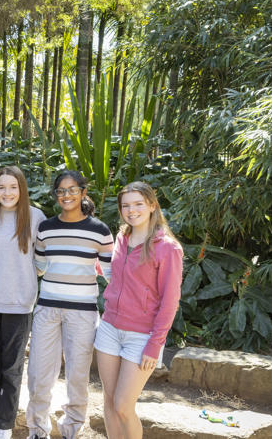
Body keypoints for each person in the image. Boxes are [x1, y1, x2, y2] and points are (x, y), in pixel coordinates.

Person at [25, 170, 113, 439]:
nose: (66, 195)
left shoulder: (100, 231)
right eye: (61, 191)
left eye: (73, 189)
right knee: (39, 374)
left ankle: (71, 429)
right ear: (55, 195)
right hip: (47, 309)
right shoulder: (46, 228)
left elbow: (112, 275)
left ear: (83, 193)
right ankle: (37, 430)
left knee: (77, 375)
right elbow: (38, 267)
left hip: (83, 312)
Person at [94, 182, 183, 439]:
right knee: (109, 403)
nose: (131, 210)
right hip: (109, 329)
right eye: (126, 205)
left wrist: (155, 345)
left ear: (152, 205)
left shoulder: (168, 248)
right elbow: (119, 278)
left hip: (141, 337)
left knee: (123, 405)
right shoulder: (122, 238)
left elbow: (170, 301)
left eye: (138, 204)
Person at [0, 167, 46, 439]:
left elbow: (42, 261)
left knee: (12, 367)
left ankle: (5, 425)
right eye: (1, 187)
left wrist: (25, 276)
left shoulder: (35, 217)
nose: (7, 193)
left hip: (19, 303)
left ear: (22, 189)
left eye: (13, 187)